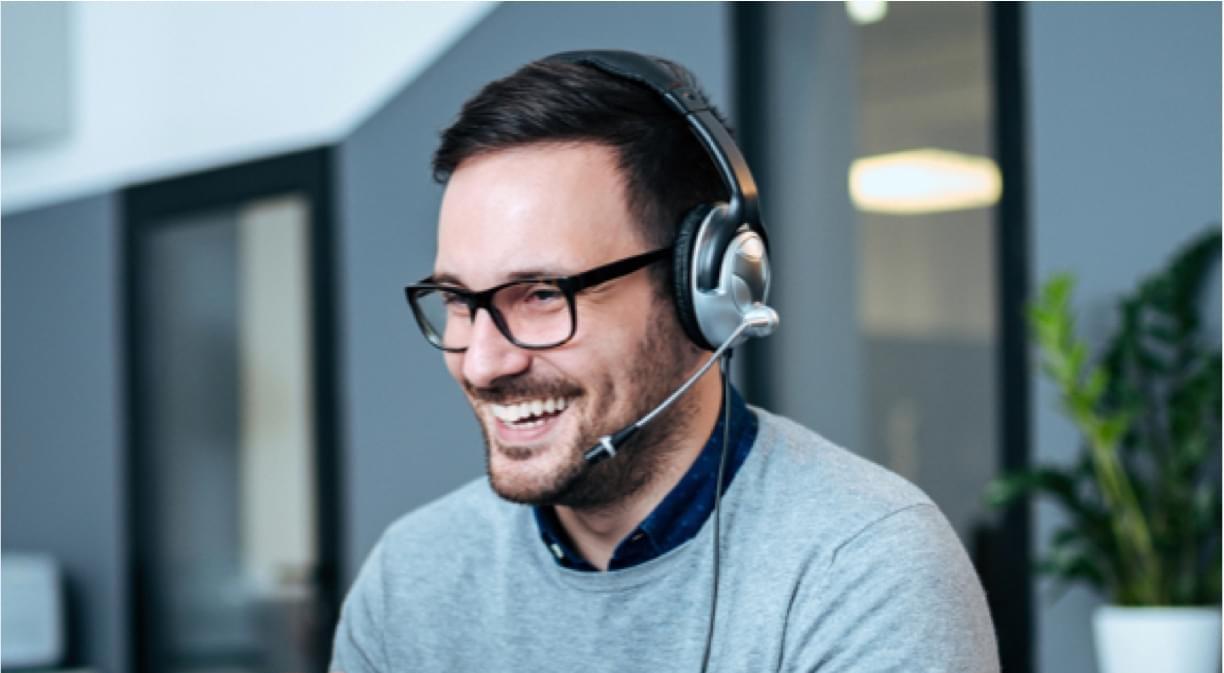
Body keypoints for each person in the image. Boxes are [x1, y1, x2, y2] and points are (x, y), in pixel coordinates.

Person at [330, 50, 999, 673]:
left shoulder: (863, 564)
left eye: (540, 293)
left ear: (705, 290)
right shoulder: (409, 577)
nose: (481, 362)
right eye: (457, 299)